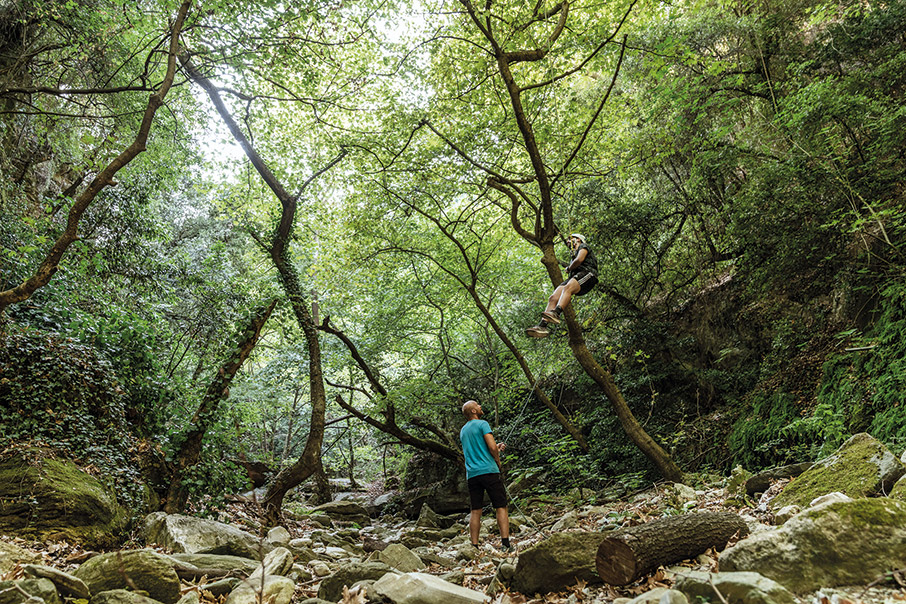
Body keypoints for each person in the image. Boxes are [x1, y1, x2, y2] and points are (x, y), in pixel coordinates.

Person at [459, 399, 511, 552]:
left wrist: (496, 447)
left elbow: (478, 447)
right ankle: (505, 544)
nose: (480, 406)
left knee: (476, 510)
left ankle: (474, 546)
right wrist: (497, 458)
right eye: (477, 405)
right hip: (489, 470)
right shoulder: (482, 424)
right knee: (501, 506)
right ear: (474, 411)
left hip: (472, 475)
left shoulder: (463, 431)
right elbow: (490, 446)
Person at [526, 233, 598, 338]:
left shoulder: (583, 246)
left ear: (578, 239)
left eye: (570, 239)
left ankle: (556, 312)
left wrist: (569, 268)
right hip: (574, 278)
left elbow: (579, 260)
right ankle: (542, 326)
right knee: (553, 297)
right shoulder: (573, 254)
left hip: (588, 274)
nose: (568, 242)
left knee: (568, 287)